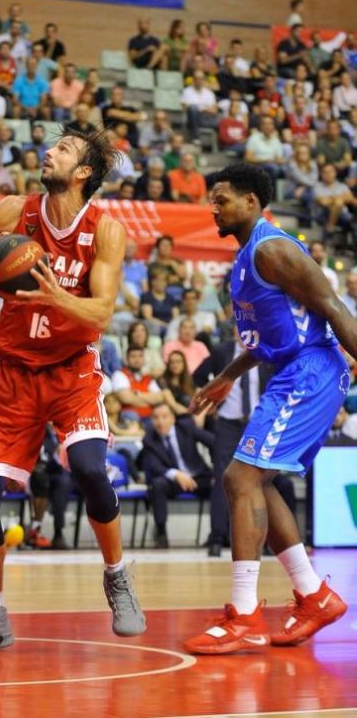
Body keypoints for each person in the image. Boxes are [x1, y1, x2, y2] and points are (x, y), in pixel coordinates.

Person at [0, 125, 145, 653]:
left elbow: (102, 313)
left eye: (63, 149)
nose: (49, 152)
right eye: (52, 146)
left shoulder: (105, 230)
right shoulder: (14, 212)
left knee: (90, 469)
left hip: (71, 371)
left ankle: (117, 576)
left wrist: (54, 295)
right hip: (11, 374)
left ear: (84, 172)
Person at [185, 163, 351, 655]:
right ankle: (315, 596)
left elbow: (335, 309)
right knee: (257, 479)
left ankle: (245, 616)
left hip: (311, 372)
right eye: (211, 200)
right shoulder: (245, 258)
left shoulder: (273, 249)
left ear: (252, 201)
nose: (213, 208)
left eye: (222, 199)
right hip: (291, 371)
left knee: (240, 478)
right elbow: (268, 338)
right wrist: (227, 375)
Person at [194, 335, 297, 557]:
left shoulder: (267, 350)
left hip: (259, 423)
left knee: (260, 480)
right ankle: (217, 537)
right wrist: (212, 401)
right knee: (222, 477)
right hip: (228, 423)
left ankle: (266, 541)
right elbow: (198, 375)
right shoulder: (221, 350)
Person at [141, 403, 214, 548]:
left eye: (164, 417)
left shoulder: (186, 427)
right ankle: (161, 534)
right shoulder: (149, 438)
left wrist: (219, 469)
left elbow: (214, 442)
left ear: (173, 418)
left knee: (221, 484)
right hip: (174, 481)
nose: (160, 422)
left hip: (198, 476)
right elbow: (154, 466)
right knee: (157, 484)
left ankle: (221, 534)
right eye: (156, 418)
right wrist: (176, 474)